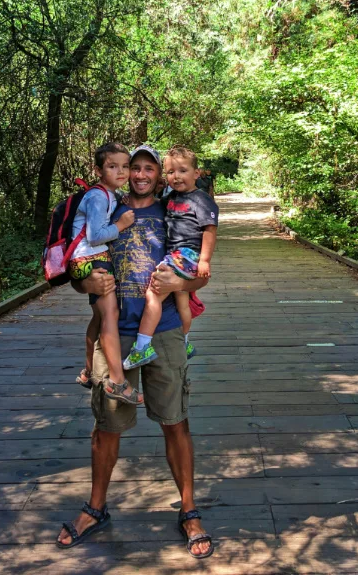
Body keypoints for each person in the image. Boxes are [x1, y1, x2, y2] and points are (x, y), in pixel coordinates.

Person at [56, 145, 214, 559]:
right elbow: (78, 266)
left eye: (148, 169)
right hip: (115, 335)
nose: (140, 174)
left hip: (163, 333)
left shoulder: (174, 211)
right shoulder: (103, 205)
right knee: (106, 425)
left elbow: (198, 276)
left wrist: (179, 285)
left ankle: (188, 509)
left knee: (175, 422)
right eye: (134, 168)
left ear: (160, 175)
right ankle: (96, 507)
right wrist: (84, 285)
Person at [122, 145, 219, 370]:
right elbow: (160, 206)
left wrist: (204, 260)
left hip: (185, 254)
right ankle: (185, 341)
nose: (176, 177)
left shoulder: (201, 200)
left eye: (183, 171)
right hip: (178, 254)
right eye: (171, 172)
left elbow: (209, 230)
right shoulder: (171, 197)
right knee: (181, 299)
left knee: (153, 293)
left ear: (196, 173)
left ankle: (142, 346)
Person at [69, 142, 139, 406]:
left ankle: (88, 371)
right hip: (92, 259)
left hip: (85, 258)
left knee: (99, 317)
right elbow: (95, 236)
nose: (120, 172)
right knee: (111, 314)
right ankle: (118, 381)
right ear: (98, 170)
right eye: (113, 166)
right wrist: (120, 225)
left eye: (125, 166)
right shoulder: (99, 196)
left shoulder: (107, 194)